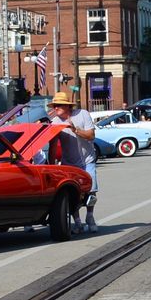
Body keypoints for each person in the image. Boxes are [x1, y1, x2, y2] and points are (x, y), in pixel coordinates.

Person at [47, 90, 99, 233]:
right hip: (69, 163)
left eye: (59, 105)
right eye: (54, 105)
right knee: (71, 194)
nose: (55, 108)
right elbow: (52, 146)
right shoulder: (55, 123)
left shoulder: (82, 114)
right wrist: (51, 167)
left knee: (91, 190)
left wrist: (75, 129)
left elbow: (91, 136)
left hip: (87, 160)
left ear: (68, 106)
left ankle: (90, 216)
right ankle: (77, 222)